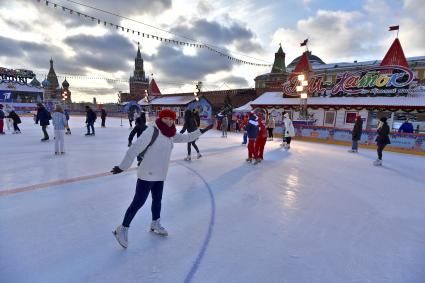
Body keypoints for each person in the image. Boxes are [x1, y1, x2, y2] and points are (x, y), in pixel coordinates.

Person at [110, 109, 213, 248]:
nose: (169, 122)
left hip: (160, 174)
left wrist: (203, 130)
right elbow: (134, 148)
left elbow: (186, 138)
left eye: (171, 119)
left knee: (157, 200)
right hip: (147, 174)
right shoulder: (153, 131)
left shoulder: (170, 134)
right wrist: (122, 167)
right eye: (166, 119)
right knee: (138, 202)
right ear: (161, 118)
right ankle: (122, 229)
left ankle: (155, 223)